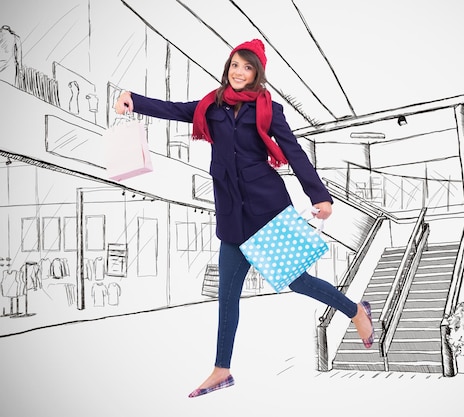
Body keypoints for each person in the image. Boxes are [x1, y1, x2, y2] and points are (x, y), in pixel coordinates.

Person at [114, 39, 374, 398]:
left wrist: (320, 195)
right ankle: (222, 369)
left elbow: (294, 152)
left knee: (297, 281)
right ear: (228, 67)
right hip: (231, 212)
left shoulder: (269, 109)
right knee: (227, 296)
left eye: (247, 67)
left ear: (257, 73)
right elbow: (173, 109)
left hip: (266, 207)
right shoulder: (212, 105)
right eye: (235, 65)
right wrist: (134, 100)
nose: (238, 72)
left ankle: (355, 311)